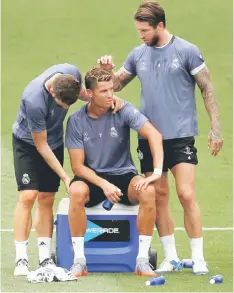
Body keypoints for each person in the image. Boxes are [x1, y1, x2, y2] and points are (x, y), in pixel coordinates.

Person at [98, 1, 223, 275]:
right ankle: (171, 257)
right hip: (149, 138)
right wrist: (107, 70)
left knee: (186, 194)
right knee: (160, 195)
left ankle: (198, 257)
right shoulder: (138, 54)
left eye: (144, 30)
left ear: (160, 26)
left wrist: (215, 127)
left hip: (180, 135)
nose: (140, 35)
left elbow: (207, 87)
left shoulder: (187, 51)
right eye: (138, 30)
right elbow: (116, 83)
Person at [12, 63, 123, 276]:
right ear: (52, 90)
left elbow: (84, 94)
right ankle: (21, 259)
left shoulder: (71, 73)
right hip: (28, 142)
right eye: (61, 104)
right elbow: (40, 145)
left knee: (47, 197)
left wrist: (106, 100)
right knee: (28, 196)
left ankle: (44, 258)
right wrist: (65, 176)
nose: (63, 109)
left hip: (53, 141)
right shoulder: (34, 100)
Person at [65, 67, 164, 277]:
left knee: (148, 191)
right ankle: (79, 261)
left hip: (124, 175)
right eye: (103, 91)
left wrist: (156, 172)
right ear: (89, 94)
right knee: (75, 192)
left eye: (112, 89)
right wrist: (103, 184)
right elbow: (77, 166)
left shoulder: (123, 109)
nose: (110, 95)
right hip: (91, 176)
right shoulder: (75, 121)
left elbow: (154, 135)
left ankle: (142, 261)